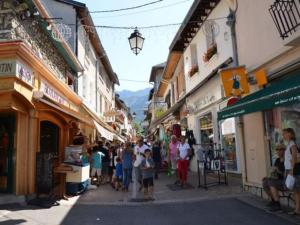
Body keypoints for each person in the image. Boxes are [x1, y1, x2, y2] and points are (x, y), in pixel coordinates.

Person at [262, 144, 285, 211]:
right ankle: (273, 200)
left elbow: (287, 173)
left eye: (280, 149)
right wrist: (267, 176)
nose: (278, 151)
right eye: (277, 150)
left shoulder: (287, 160)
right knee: (265, 182)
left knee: (271, 182)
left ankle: (277, 204)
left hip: (284, 181)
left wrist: (278, 171)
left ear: (284, 150)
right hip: (277, 179)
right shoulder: (277, 160)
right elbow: (273, 171)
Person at [283, 128, 300, 215]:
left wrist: (291, 171)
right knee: (294, 190)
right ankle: (297, 209)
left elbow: (294, 158)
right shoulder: (289, 144)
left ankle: (297, 209)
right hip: (289, 169)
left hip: (292, 170)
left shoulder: (292, 144)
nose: (283, 135)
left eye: (285, 133)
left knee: (296, 191)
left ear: (290, 134)